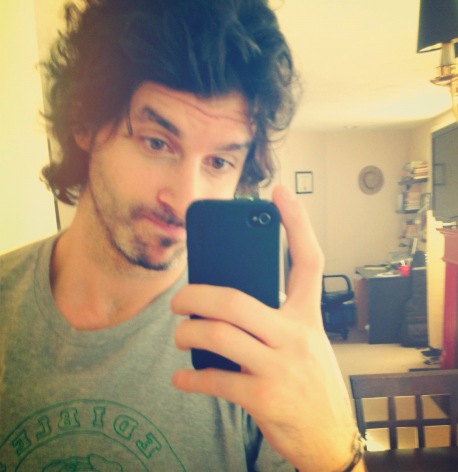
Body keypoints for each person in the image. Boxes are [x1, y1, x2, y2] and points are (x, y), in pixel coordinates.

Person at [0, 1, 365, 470]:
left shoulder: (263, 340)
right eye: (157, 142)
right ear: (85, 123)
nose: (186, 199)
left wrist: (336, 452)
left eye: (219, 162)